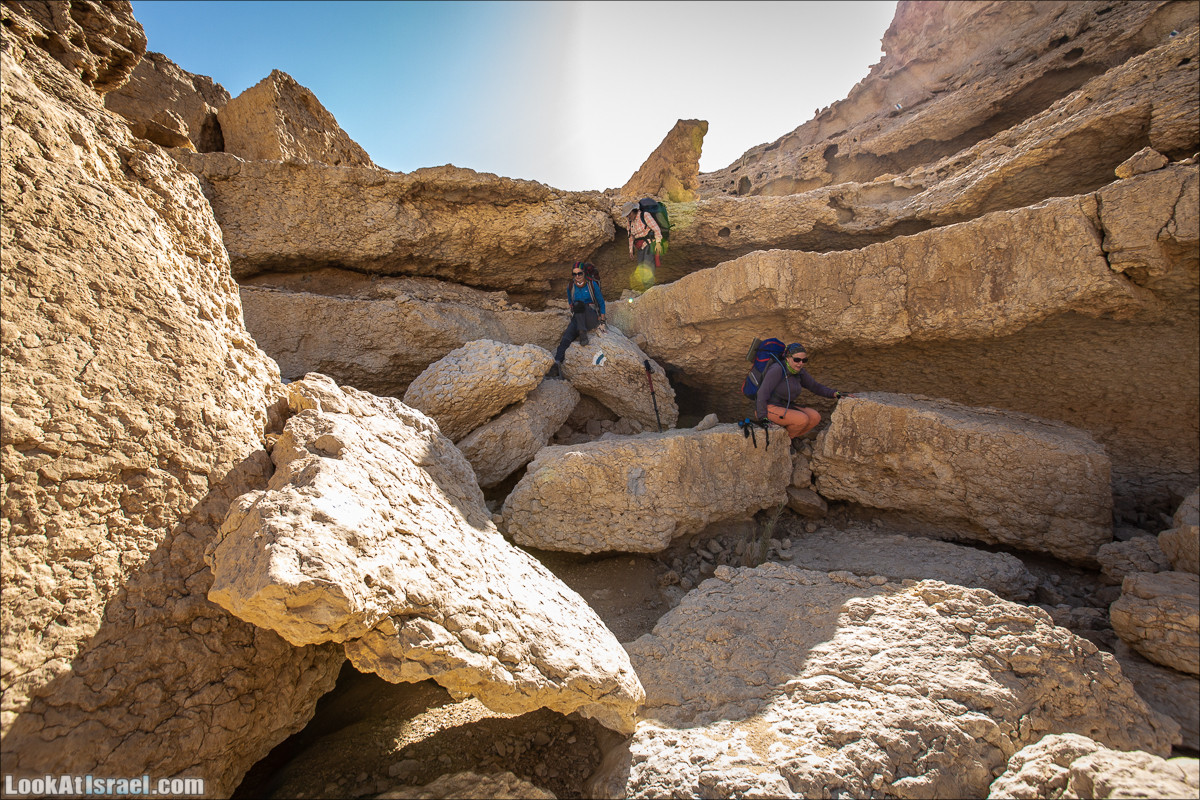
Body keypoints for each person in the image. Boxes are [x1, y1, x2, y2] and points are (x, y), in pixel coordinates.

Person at [755, 343, 853, 440]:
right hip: (769, 408)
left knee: (815, 417)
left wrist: (834, 393)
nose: (800, 363)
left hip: (786, 406)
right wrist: (763, 417)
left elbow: (815, 386)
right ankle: (784, 442)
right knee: (802, 419)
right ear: (788, 358)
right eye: (797, 360)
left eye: (804, 360)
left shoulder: (799, 372)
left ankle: (790, 438)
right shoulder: (777, 369)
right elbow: (762, 393)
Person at [549, 262, 607, 377]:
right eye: (574, 274)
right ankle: (556, 364)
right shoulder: (571, 286)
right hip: (578, 317)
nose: (577, 276)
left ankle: (582, 332)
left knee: (580, 305)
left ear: (584, 273)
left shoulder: (592, 285)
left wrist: (602, 321)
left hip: (591, 317)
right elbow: (570, 302)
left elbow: (601, 302)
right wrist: (574, 308)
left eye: (579, 273)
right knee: (566, 337)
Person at [621, 200, 662, 293]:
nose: (628, 216)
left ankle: (650, 291)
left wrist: (658, 243)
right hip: (640, 247)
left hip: (650, 244)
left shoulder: (645, 215)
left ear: (634, 210)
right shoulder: (629, 221)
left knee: (648, 267)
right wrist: (631, 250)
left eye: (629, 214)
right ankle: (646, 290)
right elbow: (630, 236)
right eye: (627, 215)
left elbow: (656, 229)